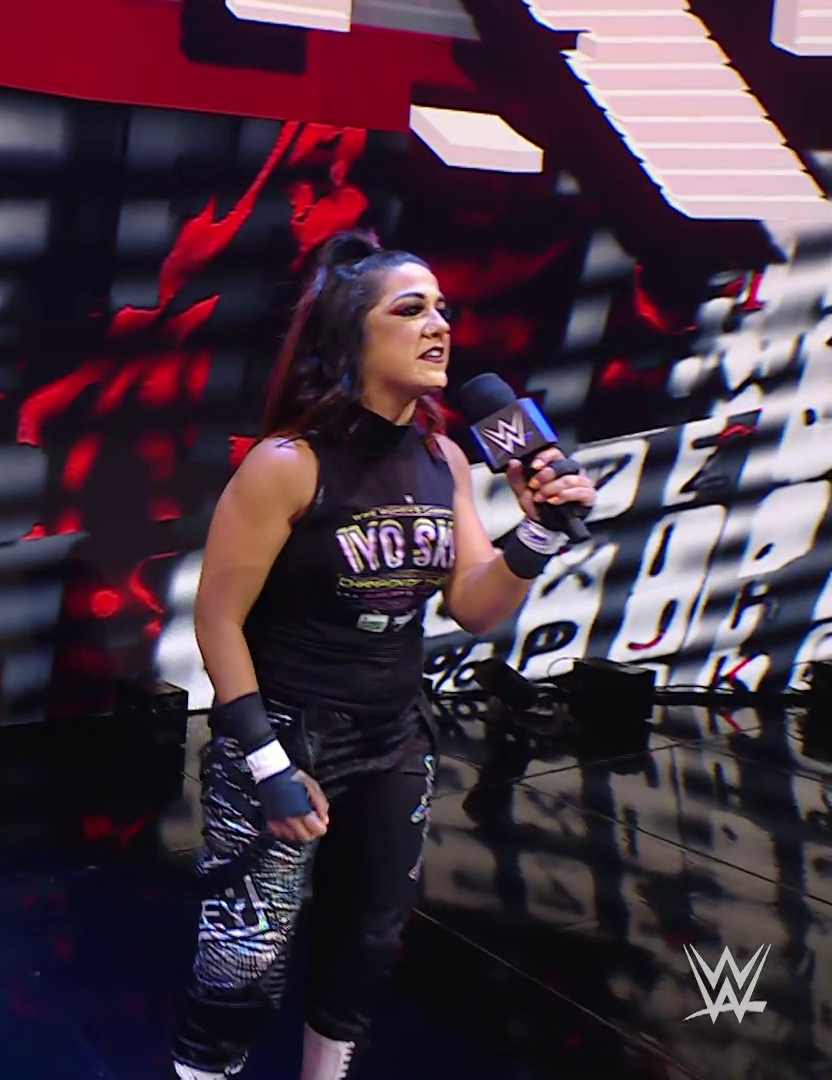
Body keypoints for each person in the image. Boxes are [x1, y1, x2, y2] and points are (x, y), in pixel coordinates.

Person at [172, 231, 597, 1080]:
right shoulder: (287, 464)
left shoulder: (446, 459)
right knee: (245, 959)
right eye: (411, 310)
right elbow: (217, 620)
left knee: (367, 943)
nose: (440, 325)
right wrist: (267, 763)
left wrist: (541, 531)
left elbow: (474, 604)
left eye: (443, 309)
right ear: (351, 337)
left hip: (395, 733)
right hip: (287, 735)